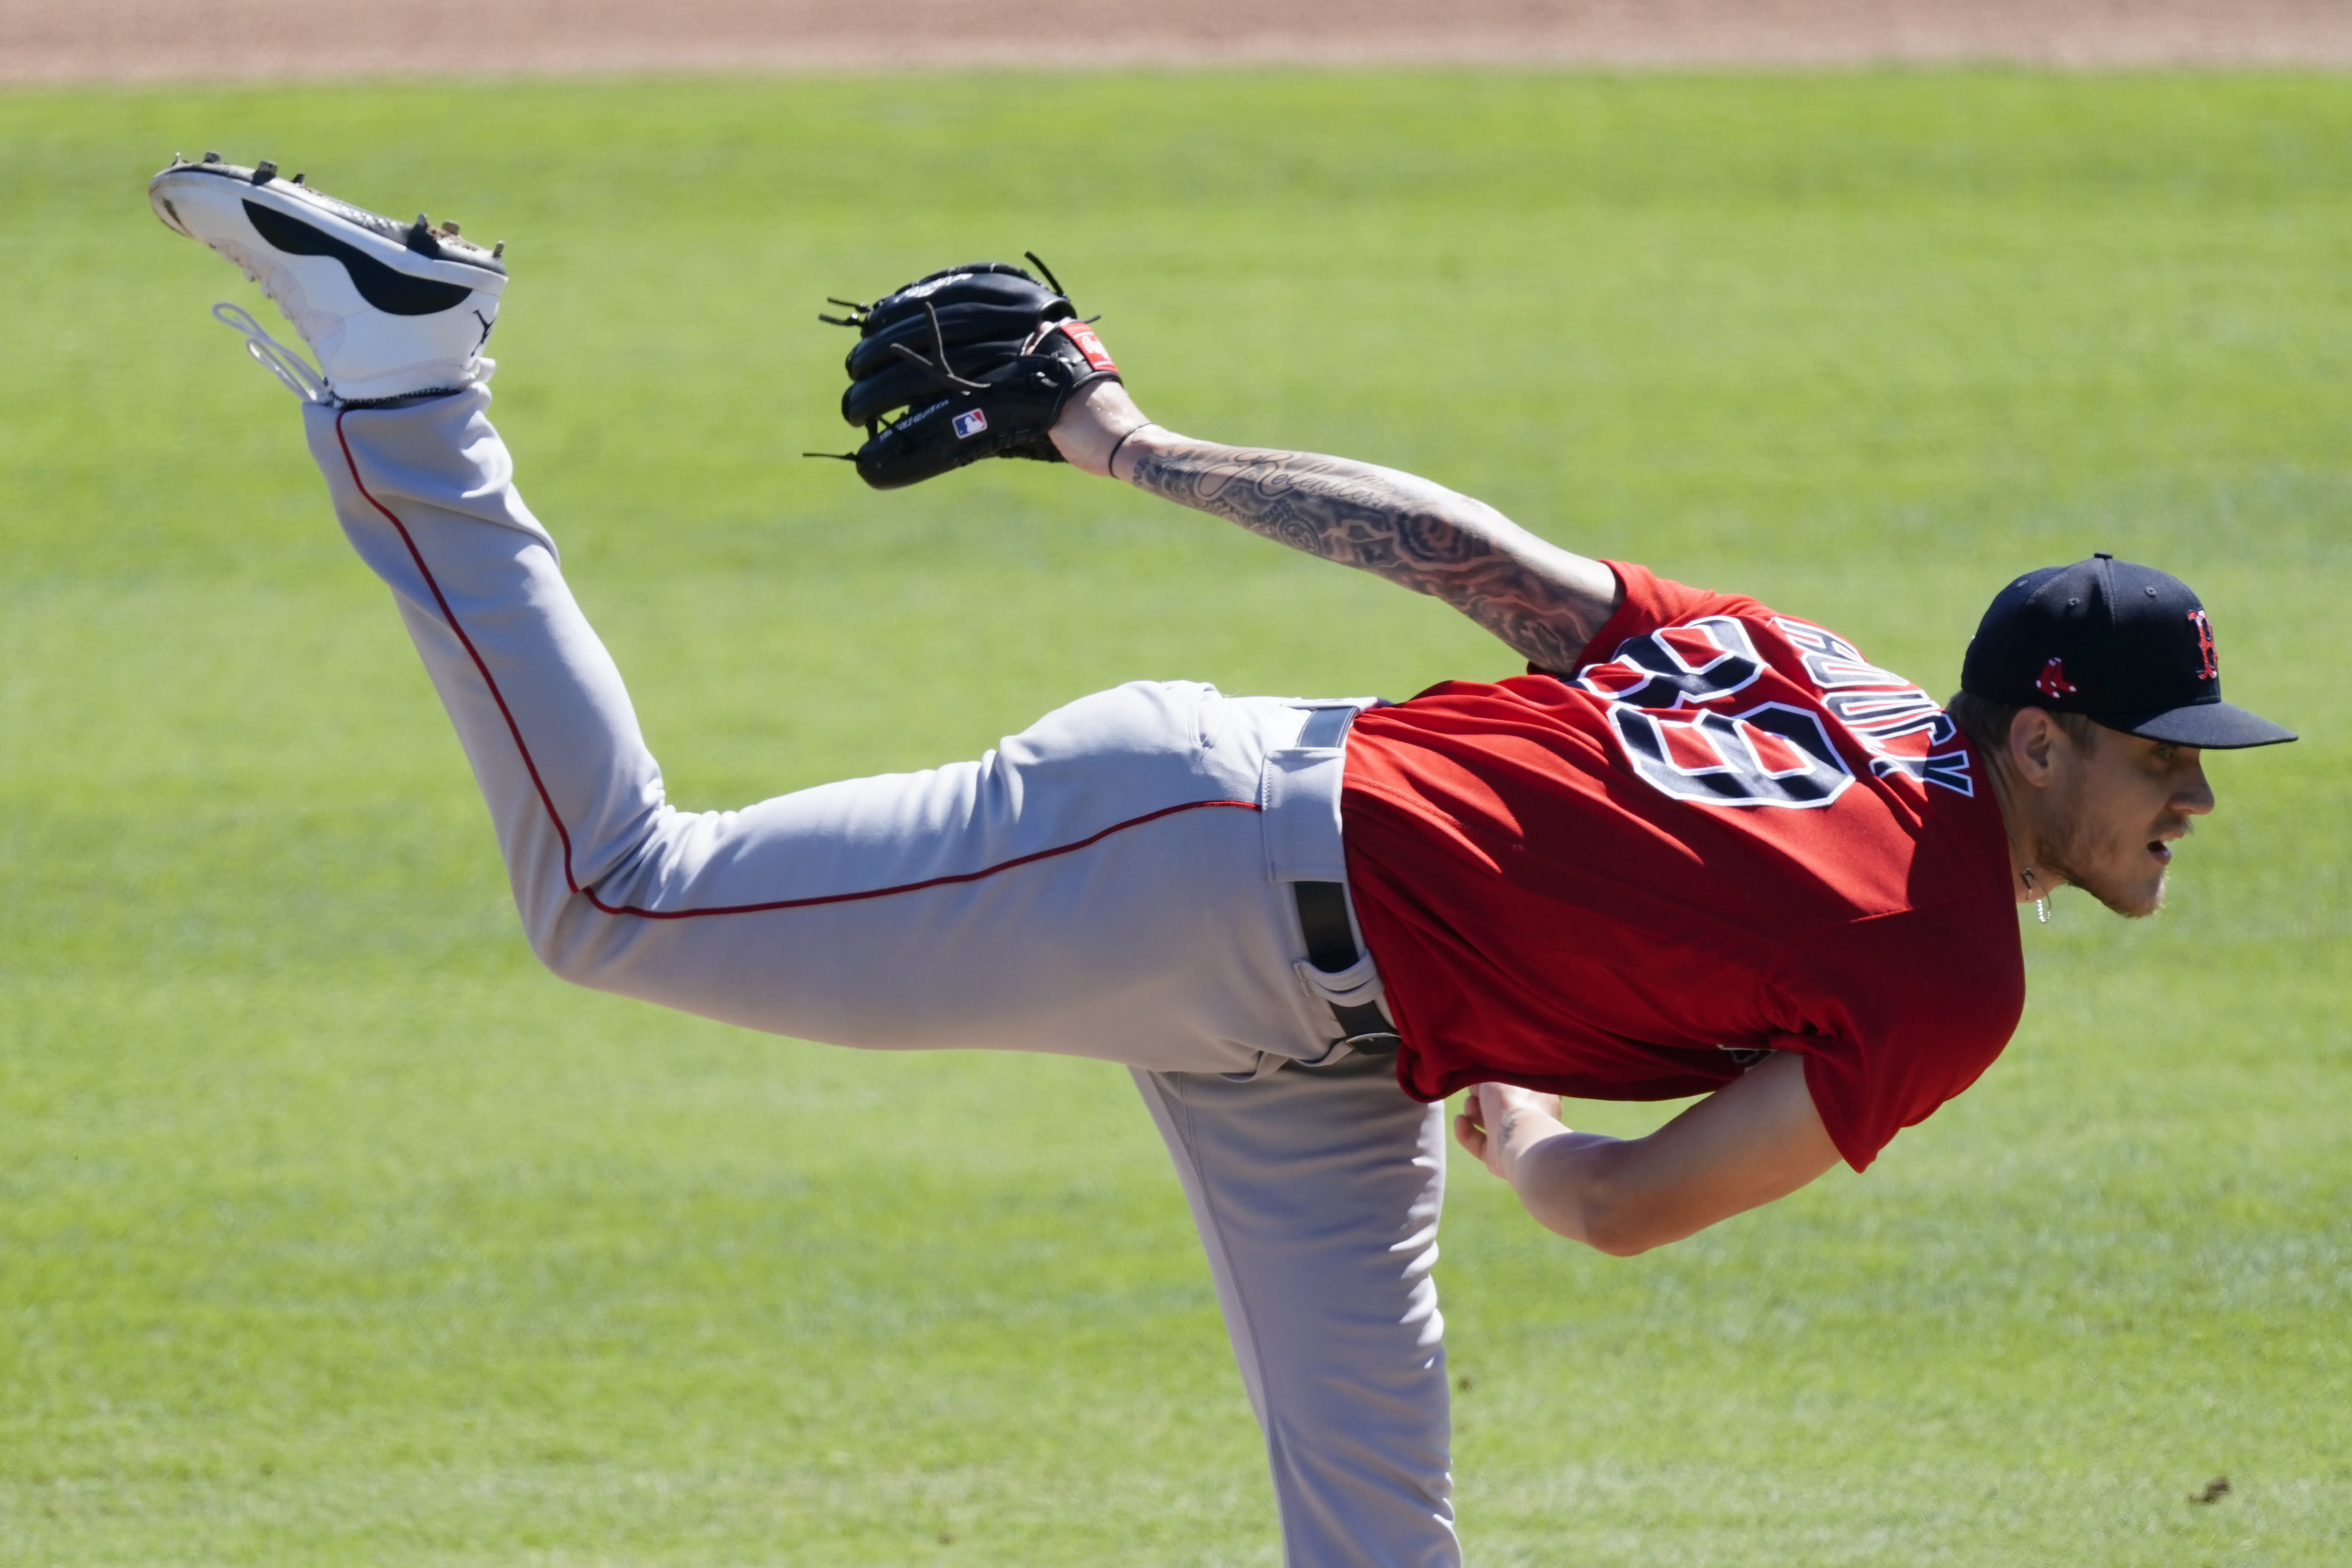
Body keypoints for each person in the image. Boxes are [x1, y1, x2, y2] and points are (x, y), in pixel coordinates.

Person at [148, 154, 2295, 1568]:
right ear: (2035, 735)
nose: (2187, 798)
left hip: (1304, 1000)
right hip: (1196, 870)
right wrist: (1521, 1122)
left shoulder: (1805, 665)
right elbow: (1623, 1211)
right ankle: (417, 383)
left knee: (1375, 1532)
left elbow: (1475, 565)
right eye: (2156, 760)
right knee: (611, 895)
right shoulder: (1949, 976)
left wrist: (1126, 442)